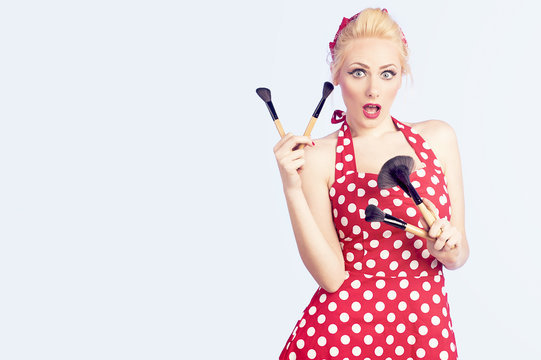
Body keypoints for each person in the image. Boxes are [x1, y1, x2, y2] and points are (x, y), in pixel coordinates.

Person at [273, 8, 469, 360]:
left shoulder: (439, 138)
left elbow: (460, 254)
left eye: (387, 74)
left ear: (401, 77)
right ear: (337, 77)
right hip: (342, 334)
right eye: (358, 72)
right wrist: (291, 187)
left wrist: (448, 250)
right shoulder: (319, 157)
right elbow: (331, 278)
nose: (373, 89)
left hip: (423, 330)